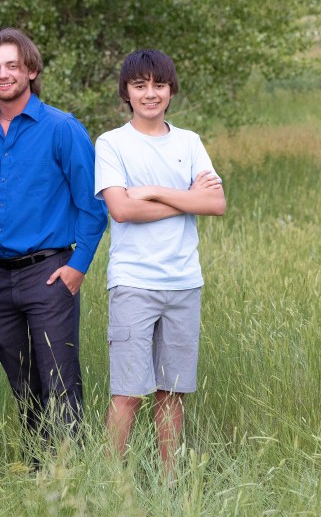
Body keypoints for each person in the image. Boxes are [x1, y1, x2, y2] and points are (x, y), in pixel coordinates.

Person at [0, 28, 107, 445]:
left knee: (60, 382)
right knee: (23, 387)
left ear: (31, 69)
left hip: (49, 273)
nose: (2, 74)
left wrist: (77, 267)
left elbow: (93, 205)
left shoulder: (62, 128)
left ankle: (73, 483)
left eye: (11, 65)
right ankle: (38, 471)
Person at [94, 49, 226, 479]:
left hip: (184, 282)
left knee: (172, 393)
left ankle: (171, 484)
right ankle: (112, 485)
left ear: (171, 91)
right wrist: (188, 201)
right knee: (129, 393)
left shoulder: (188, 141)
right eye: (140, 85)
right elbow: (122, 210)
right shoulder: (112, 142)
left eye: (159, 84)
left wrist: (150, 190)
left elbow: (217, 202)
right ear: (126, 93)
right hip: (133, 282)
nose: (150, 94)